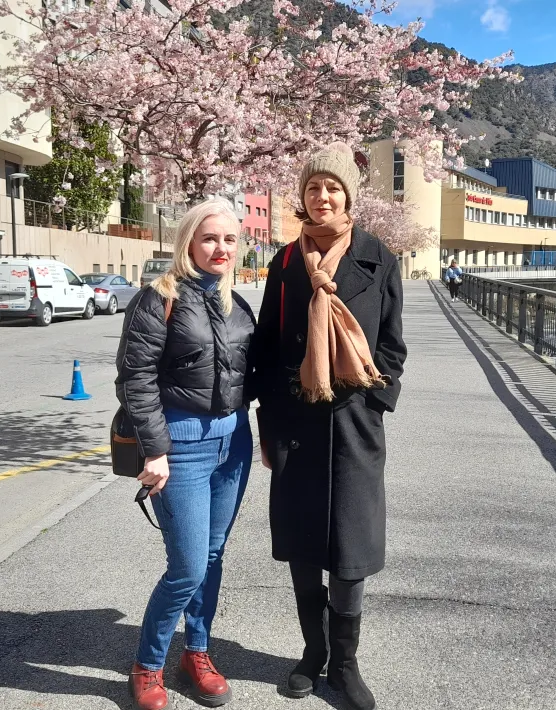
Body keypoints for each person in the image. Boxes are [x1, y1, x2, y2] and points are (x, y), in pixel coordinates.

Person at [250, 142, 407, 710]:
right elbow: (266, 348)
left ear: (348, 196)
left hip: (354, 424)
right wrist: (268, 421)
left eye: (333, 188)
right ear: (303, 196)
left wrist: (374, 399)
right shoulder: (286, 263)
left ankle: (345, 664)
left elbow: (393, 344)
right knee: (302, 545)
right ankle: (311, 653)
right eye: (313, 187)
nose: (322, 197)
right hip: (296, 421)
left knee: (350, 547)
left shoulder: (377, 257)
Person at [115, 197, 256, 710]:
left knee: (213, 557)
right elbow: (135, 379)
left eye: (230, 239)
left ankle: (196, 651)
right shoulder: (159, 298)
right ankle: (147, 665)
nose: (221, 248)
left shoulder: (235, 303)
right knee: (188, 566)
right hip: (180, 448)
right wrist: (155, 451)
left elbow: (249, 374)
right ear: (189, 242)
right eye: (210, 238)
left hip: (233, 443)